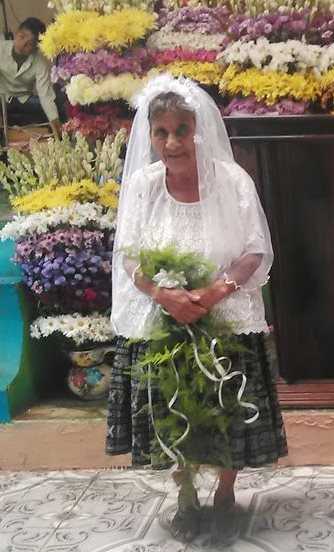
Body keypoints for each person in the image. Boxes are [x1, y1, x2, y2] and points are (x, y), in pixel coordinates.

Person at [106, 74, 287, 541]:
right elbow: (128, 253)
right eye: (161, 132)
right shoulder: (144, 186)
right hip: (163, 316)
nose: (172, 142)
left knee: (227, 408)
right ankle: (184, 494)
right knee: (174, 410)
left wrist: (214, 293)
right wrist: (161, 294)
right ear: (150, 136)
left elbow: (254, 250)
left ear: (198, 130)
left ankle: (226, 493)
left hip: (224, 312)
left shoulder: (232, 180)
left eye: (181, 130)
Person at [0, 17, 61, 137]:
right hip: (1, 97)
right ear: (16, 33)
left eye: (30, 43)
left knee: (57, 105)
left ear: (36, 47)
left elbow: (46, 96)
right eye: (21, 37)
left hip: (23, 99)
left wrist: (56, 123)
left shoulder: (39, 63)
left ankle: (57, 140)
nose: (22, 45)